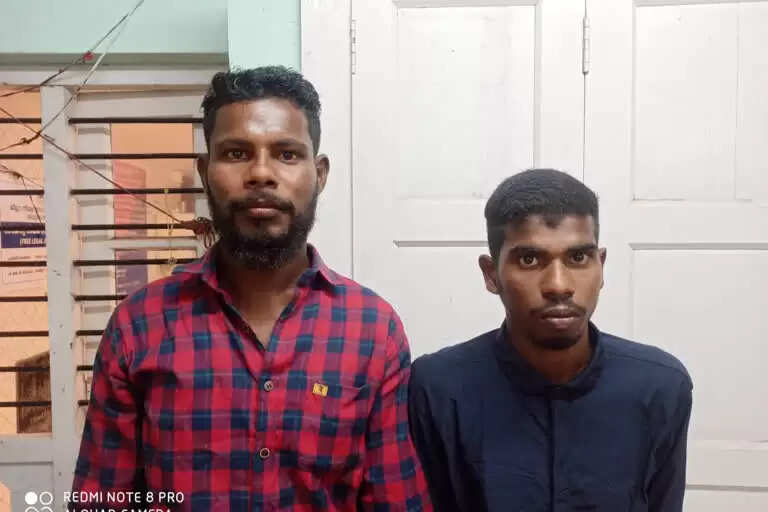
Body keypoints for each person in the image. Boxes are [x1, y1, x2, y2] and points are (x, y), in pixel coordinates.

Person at [72, 67, 431, 512]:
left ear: (319, 174)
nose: (261, 173)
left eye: (287, 154)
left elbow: (395, 502)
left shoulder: (373, 330)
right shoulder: (139, 326)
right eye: (236, 153)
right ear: (205, 171)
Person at [408, 169, 692, 511]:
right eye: (529, 260)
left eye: (578, 258)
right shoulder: (438, 389)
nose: (559, 285)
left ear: (601, 266)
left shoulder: (660, 387)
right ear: (491, 274)